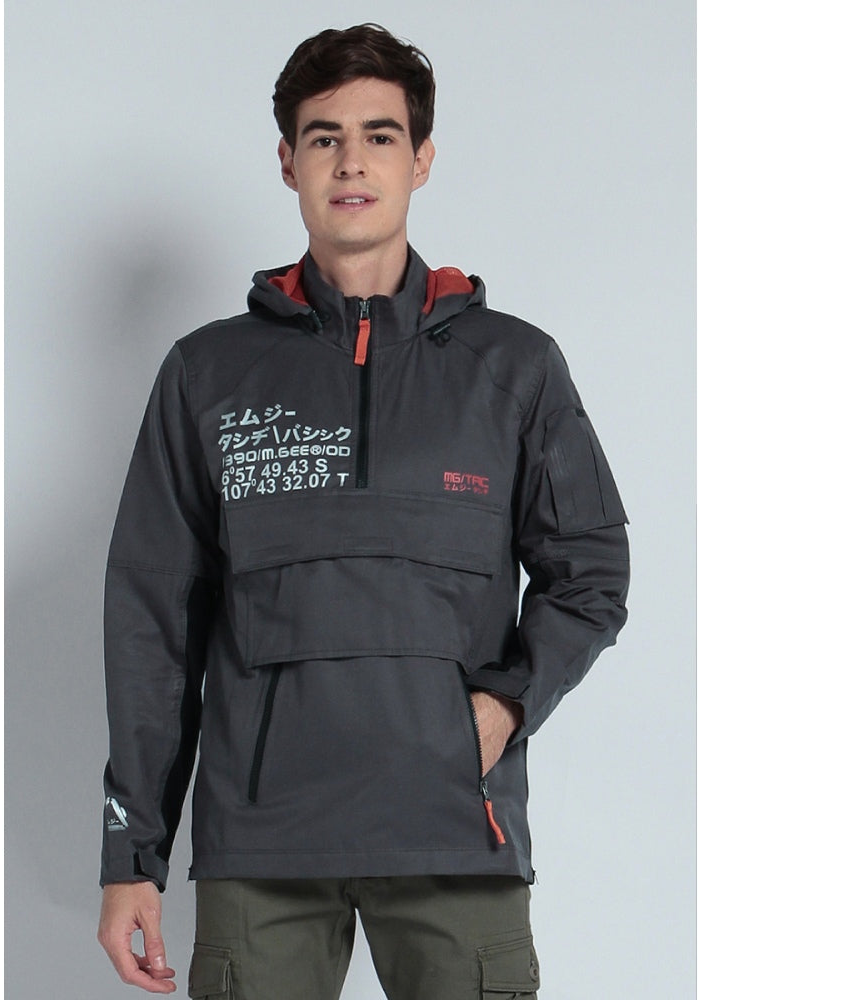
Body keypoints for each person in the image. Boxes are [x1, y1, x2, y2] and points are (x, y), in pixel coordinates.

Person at [97, 23, 629, 1000]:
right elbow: (152, 623)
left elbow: (589, 571)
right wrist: (132, 854)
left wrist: (505, 704)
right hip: (261, 845)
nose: (351, 162)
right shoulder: (207, 373)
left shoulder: (514, 367)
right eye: (324, 137)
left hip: (454, 834)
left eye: (380, 136)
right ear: (288, 161)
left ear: (420, 160)